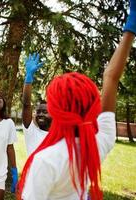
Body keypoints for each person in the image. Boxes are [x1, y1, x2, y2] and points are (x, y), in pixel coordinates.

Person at [17, 1, 136, 199]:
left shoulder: (46, 160)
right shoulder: (98, 143)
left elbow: (110, 79)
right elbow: (111, 78)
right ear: (93, 106)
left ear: (56, 110)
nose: (42, 112)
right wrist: (130, 30)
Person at [22, 53, 51, 156]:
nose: (40, 114)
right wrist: (29, 77)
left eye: (45, 112)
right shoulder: (32, 131)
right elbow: (26, 104)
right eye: (38, 111)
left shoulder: (60, 136)